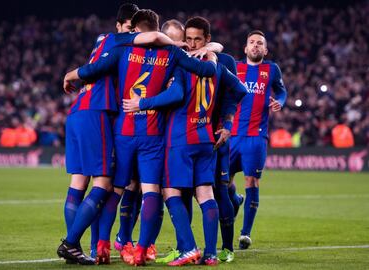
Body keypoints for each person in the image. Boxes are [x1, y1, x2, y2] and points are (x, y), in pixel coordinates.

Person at [61, 9, 218, 266]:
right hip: (153, 133)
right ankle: (143, 249)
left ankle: (101, 245)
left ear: (135, 30)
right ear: (158, 29)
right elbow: (204, 71)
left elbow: (95, 69)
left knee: (115, 188)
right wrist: (211, 56)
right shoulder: (173, 53)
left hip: (123, 129)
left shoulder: (122, 48)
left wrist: (71, 74)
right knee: (150, 192)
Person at [123, 16, 247, 266]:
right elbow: (241, 90)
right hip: (205, 139)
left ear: (206, 39)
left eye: (196, 39)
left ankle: (189, 247)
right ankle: (211, 254)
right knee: (205, 194)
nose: (190, 44)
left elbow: (176, 94)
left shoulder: (182, 64)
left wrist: (141, 103)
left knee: (169, 191)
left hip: (181, 139)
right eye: (187, 39)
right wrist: (225, 121)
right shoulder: (218, 65)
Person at [229, 30, 287, 249]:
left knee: (252, 181)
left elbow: (281, 92)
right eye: (251, 42)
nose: (255, 46)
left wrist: (280, 101)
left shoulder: (272, 69)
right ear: (245, 48)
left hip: (256, 137)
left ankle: (245, 233)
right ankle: (235, 200)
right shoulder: (233, 67)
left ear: (265, 50)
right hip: (232, 135)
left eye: (259, 43)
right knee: (222, 183)